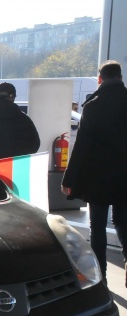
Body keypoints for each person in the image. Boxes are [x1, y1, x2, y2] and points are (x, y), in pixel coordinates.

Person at [62, 60, 127, 285]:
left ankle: (101, 277)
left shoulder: (94, 105)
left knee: (97, 227)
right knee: (123, 222)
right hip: (125, 177)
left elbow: (82, 147)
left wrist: (69, 178)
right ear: (120, 77)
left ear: (100, 78)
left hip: (98, 177)